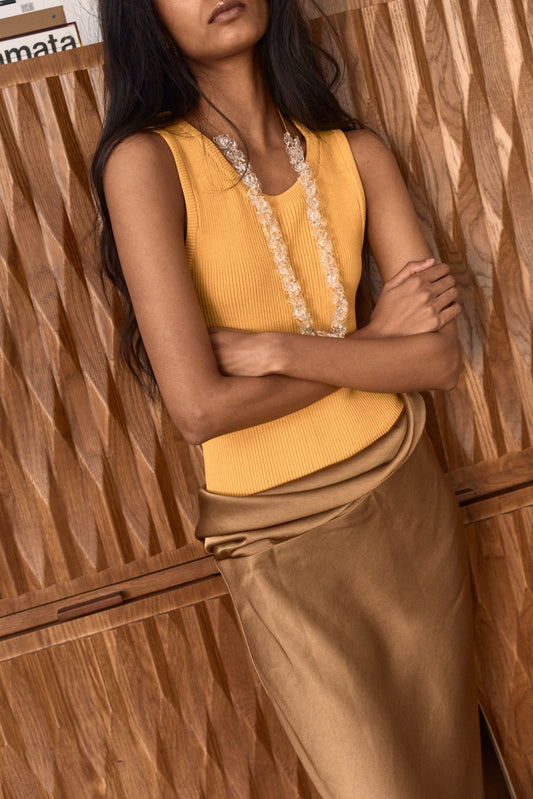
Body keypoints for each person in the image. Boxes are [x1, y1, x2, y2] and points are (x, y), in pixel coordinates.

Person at [91, 1, 485, 796]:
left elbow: (437, 358)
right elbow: (200, 409)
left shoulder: (356, 153)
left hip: (405, 499)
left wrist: (278, 352)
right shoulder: (144, 164)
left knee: (452, 776)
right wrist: (374, 346)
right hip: (276, 534)